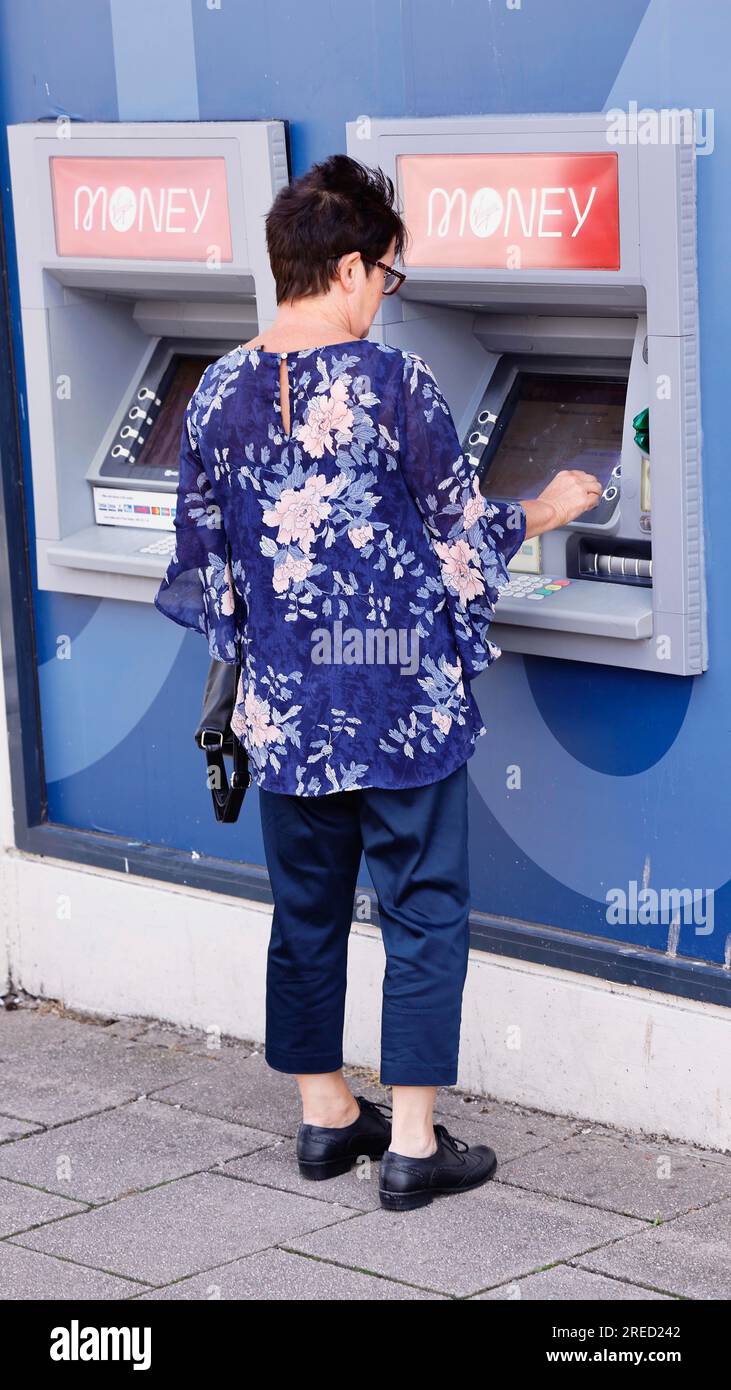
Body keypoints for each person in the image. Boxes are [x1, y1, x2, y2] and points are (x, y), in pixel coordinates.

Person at [154, 154, 601, 1211]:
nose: (383, 299)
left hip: (288, 715)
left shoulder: (216, 391)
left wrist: (272, 656)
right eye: (387, 279)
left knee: (304, 908)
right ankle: (409, 1143)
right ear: (350, 267)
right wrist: (542, 508)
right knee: (421, 906)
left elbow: (203, 568)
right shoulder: (391, 386)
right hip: (399, 707)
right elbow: (454, 536)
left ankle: (322, 1118)